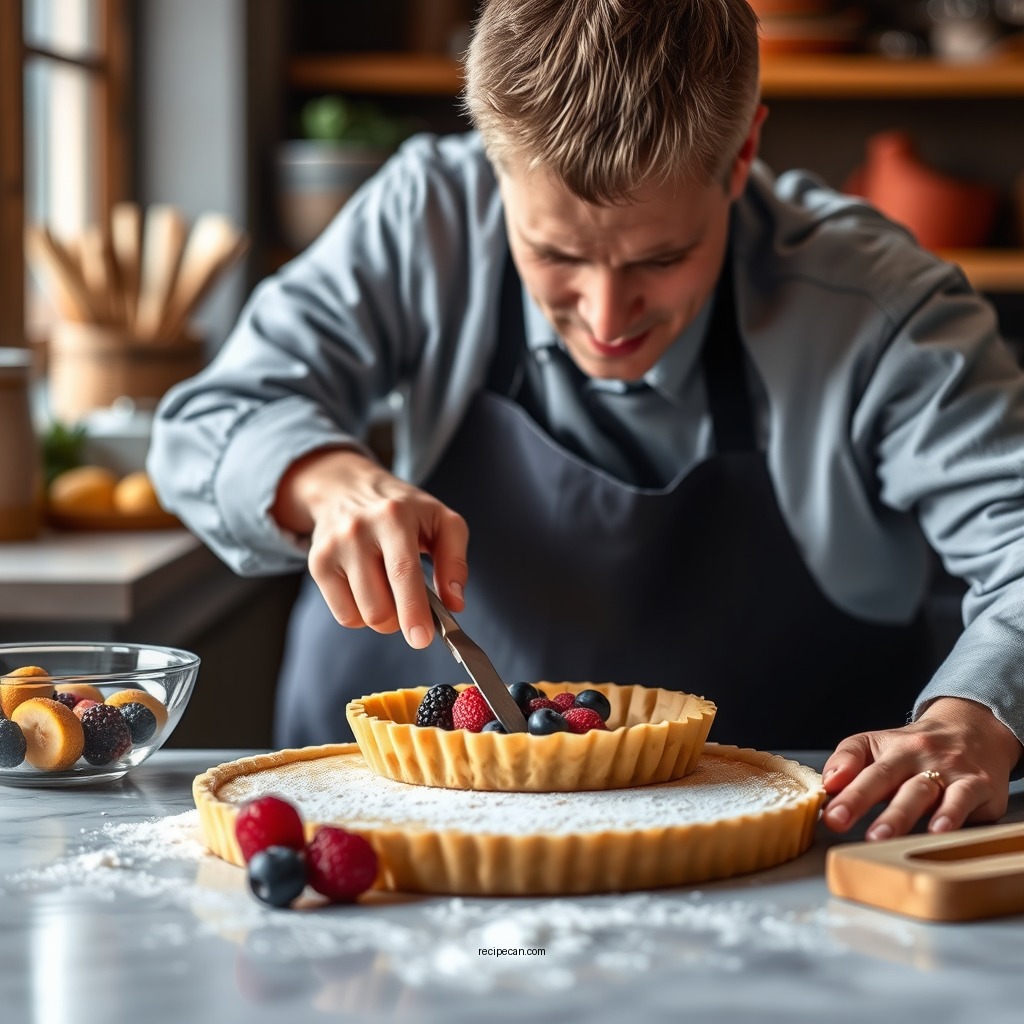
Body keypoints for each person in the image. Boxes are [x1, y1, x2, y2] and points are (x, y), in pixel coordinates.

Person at [149, 0, 1024, 841]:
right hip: (390, 829)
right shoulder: (426, 216)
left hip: (775, 854)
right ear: (494, 165)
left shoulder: (879, 308)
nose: (606, 318)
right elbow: (205, 424)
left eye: (662, 258)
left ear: (743, 153)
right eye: (556, 254)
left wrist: (974, 716)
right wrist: (325, 480)